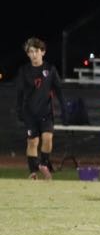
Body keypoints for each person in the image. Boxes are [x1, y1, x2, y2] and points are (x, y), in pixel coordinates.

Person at [15, 37, 66, 180]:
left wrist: (64, 109)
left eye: (36, 51)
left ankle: (44, 164)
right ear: (28, 54)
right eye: (30, 52)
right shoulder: (24, 70)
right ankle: (32, 172)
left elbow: (59, 90)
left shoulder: (50, 69)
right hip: (30, 113)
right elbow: (19, 92)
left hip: (46, 112)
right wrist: (19, 110)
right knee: (32, 142)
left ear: (42, 52)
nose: (34, 54)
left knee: (48, 138)